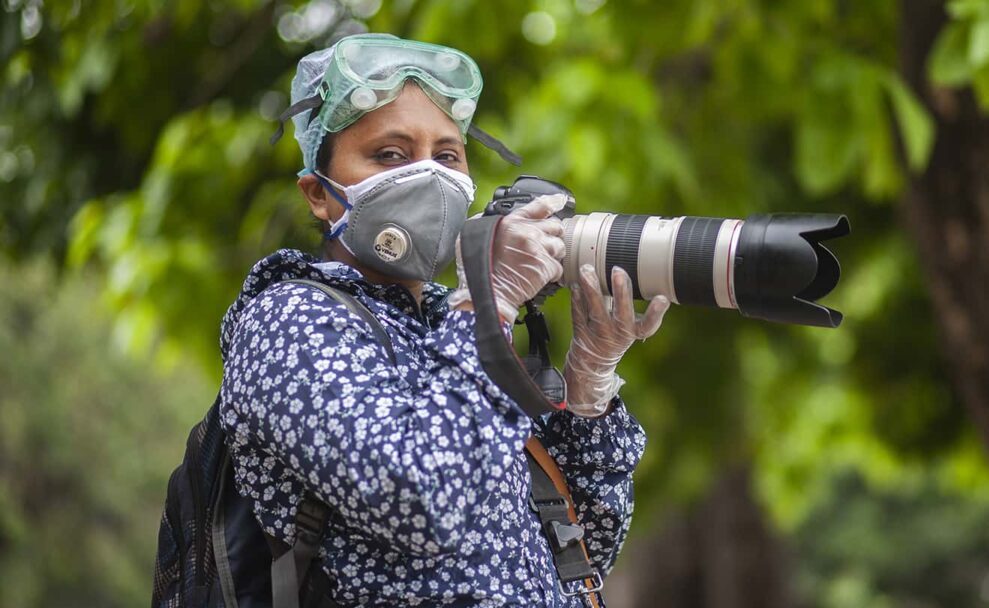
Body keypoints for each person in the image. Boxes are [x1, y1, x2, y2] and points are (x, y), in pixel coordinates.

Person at [217, 33, 671, 606]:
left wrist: (589, 384)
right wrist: (489, 303)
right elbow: (425, 503)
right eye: (390, 154)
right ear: (317, 193)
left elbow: (585, 551)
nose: (429, 177)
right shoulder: (288, 322)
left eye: (447, 156)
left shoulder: (446, 328)